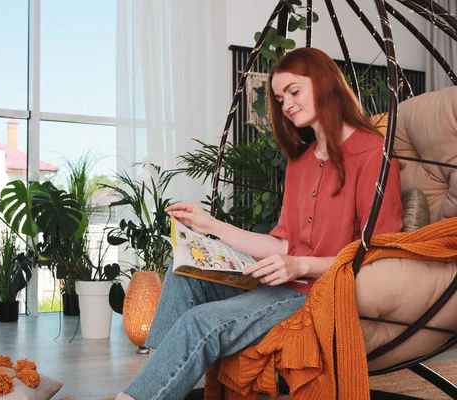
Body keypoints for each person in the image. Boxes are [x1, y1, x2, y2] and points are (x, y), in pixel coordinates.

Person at [116, 47, 404, 400]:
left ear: (325, 84)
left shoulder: (371, 153)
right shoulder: (300, 163)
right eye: (281, 98)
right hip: (280, 283)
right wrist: (210, 225)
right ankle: (162, 376)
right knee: (182, 269)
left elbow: (379, 251)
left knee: (199, 321)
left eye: (294, 92)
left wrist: (300, 265)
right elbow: (283, 243)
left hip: (318, 295)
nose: (286, 105)